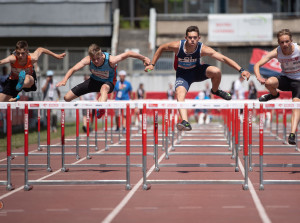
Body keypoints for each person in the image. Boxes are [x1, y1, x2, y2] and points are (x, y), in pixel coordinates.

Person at [145, 25, 250, 131]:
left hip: (197, 71)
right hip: (183, 75)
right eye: (190, 37)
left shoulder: (202, 49)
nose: (192, 40)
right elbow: (162, 47)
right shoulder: (178, 46)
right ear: (186, 38)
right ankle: (185, 121)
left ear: (199, 38)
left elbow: (223, 58)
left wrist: (241, 70)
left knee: (216, 71)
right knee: (179, 94)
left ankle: (215, 90)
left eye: (195, 38)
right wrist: (152, 64)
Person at [56, 43, 150, 119]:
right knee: (67, 98)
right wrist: (64, 80)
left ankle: (101, 109)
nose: (96, 61)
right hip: (93, 81)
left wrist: (144, 58)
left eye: (98, 58)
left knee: (104, 88)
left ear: (102, 55)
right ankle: (101, 101)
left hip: (108, 82)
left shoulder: (111, 60)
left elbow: (128, 53)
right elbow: (73, 69)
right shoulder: (88, 60)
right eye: (94, 59)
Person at [254, 29, 300, 145]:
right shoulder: (277, 51)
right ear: (279, 43)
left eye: (287, 42)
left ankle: (292, 134)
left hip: (298, 82)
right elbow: (257, 64)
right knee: (269, 82)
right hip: (285, 79)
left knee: (296, 104)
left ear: (291, 41)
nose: (285, 45)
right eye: (282, 42)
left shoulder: (298, 50)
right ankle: (274, 94)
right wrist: (259, 77)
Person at [0, 40, 66, 102]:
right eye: (18, 53)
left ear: (27, 52)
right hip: (13, 80)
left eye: (23, 53)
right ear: (15, 51)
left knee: (28, 77)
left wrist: (56, 55)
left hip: (28, 79)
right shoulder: (12, 58)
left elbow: (41, 49)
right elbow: (2, 61)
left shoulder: (33, 57)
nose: (20, 56)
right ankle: (14, 96)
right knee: (1, 100)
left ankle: (20, 85)